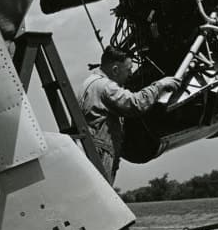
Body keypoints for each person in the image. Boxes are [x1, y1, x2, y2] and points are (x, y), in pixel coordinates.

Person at [77, 45, 180, 185]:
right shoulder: (106, 86)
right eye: (128, 69)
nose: (131, 74)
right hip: (99, 153)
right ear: (115, 70)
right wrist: (160, 85)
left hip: (88, 149)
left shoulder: (90, 82)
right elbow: (134, 103)